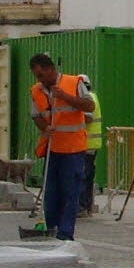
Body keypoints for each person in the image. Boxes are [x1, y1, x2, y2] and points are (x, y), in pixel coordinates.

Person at [29, 52, 95, 241]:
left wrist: (65, 96)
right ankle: (52, 229)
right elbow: (36, 115)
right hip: (53, 148)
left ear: (51, 70)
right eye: (37, 76)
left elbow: (89, 106)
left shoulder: (74, 83)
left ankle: (65, 234)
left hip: (73, 149)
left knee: (70, 193)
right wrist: (44, 127)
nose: (40, 80)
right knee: (51, 194)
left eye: (41, 75)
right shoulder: (37, 91)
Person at [80, 85, 105, 215]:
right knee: (88, 175)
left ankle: (83, 206)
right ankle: (87, 206)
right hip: (91, 144)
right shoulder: (93, 97)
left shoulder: (89, 99)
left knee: (83, 176)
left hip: (87, 143)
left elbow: (88, 118)